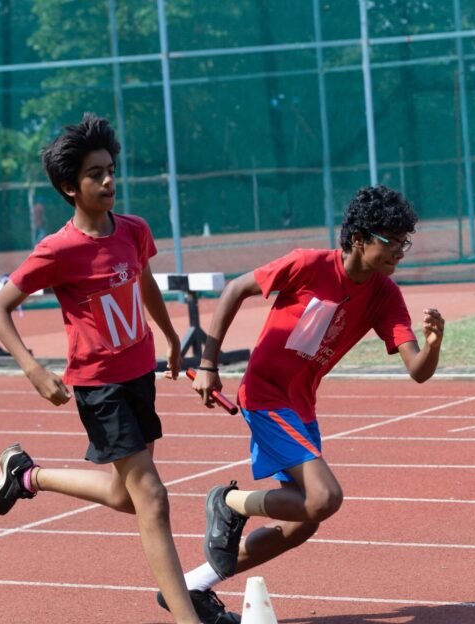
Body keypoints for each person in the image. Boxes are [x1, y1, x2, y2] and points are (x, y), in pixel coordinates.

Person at [0, 114, 213, 624]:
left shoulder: (133, 230)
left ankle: (26, 476)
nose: (109, 181)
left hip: (140, 376)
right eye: (95, 174)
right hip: (100, 387)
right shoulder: (58, 250)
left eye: (111, 170)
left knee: (123, 494)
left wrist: (172, 338)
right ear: (70, 187)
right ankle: (186, 619)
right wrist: (34, 370)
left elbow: (145, 283)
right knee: (151, 496)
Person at [179, 185, 445, 616]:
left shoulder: (384, 295)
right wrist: (208, 365)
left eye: (404, 242)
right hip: (265, 395)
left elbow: (418, 371)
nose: (400, 251)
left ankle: (193, 585)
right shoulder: (307, 264)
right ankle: (227, 502)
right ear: (359, 238)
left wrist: (433, 345)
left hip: (301, 407)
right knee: (325, 498)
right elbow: (233, 290)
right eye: (391, 241)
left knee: (303, 522)